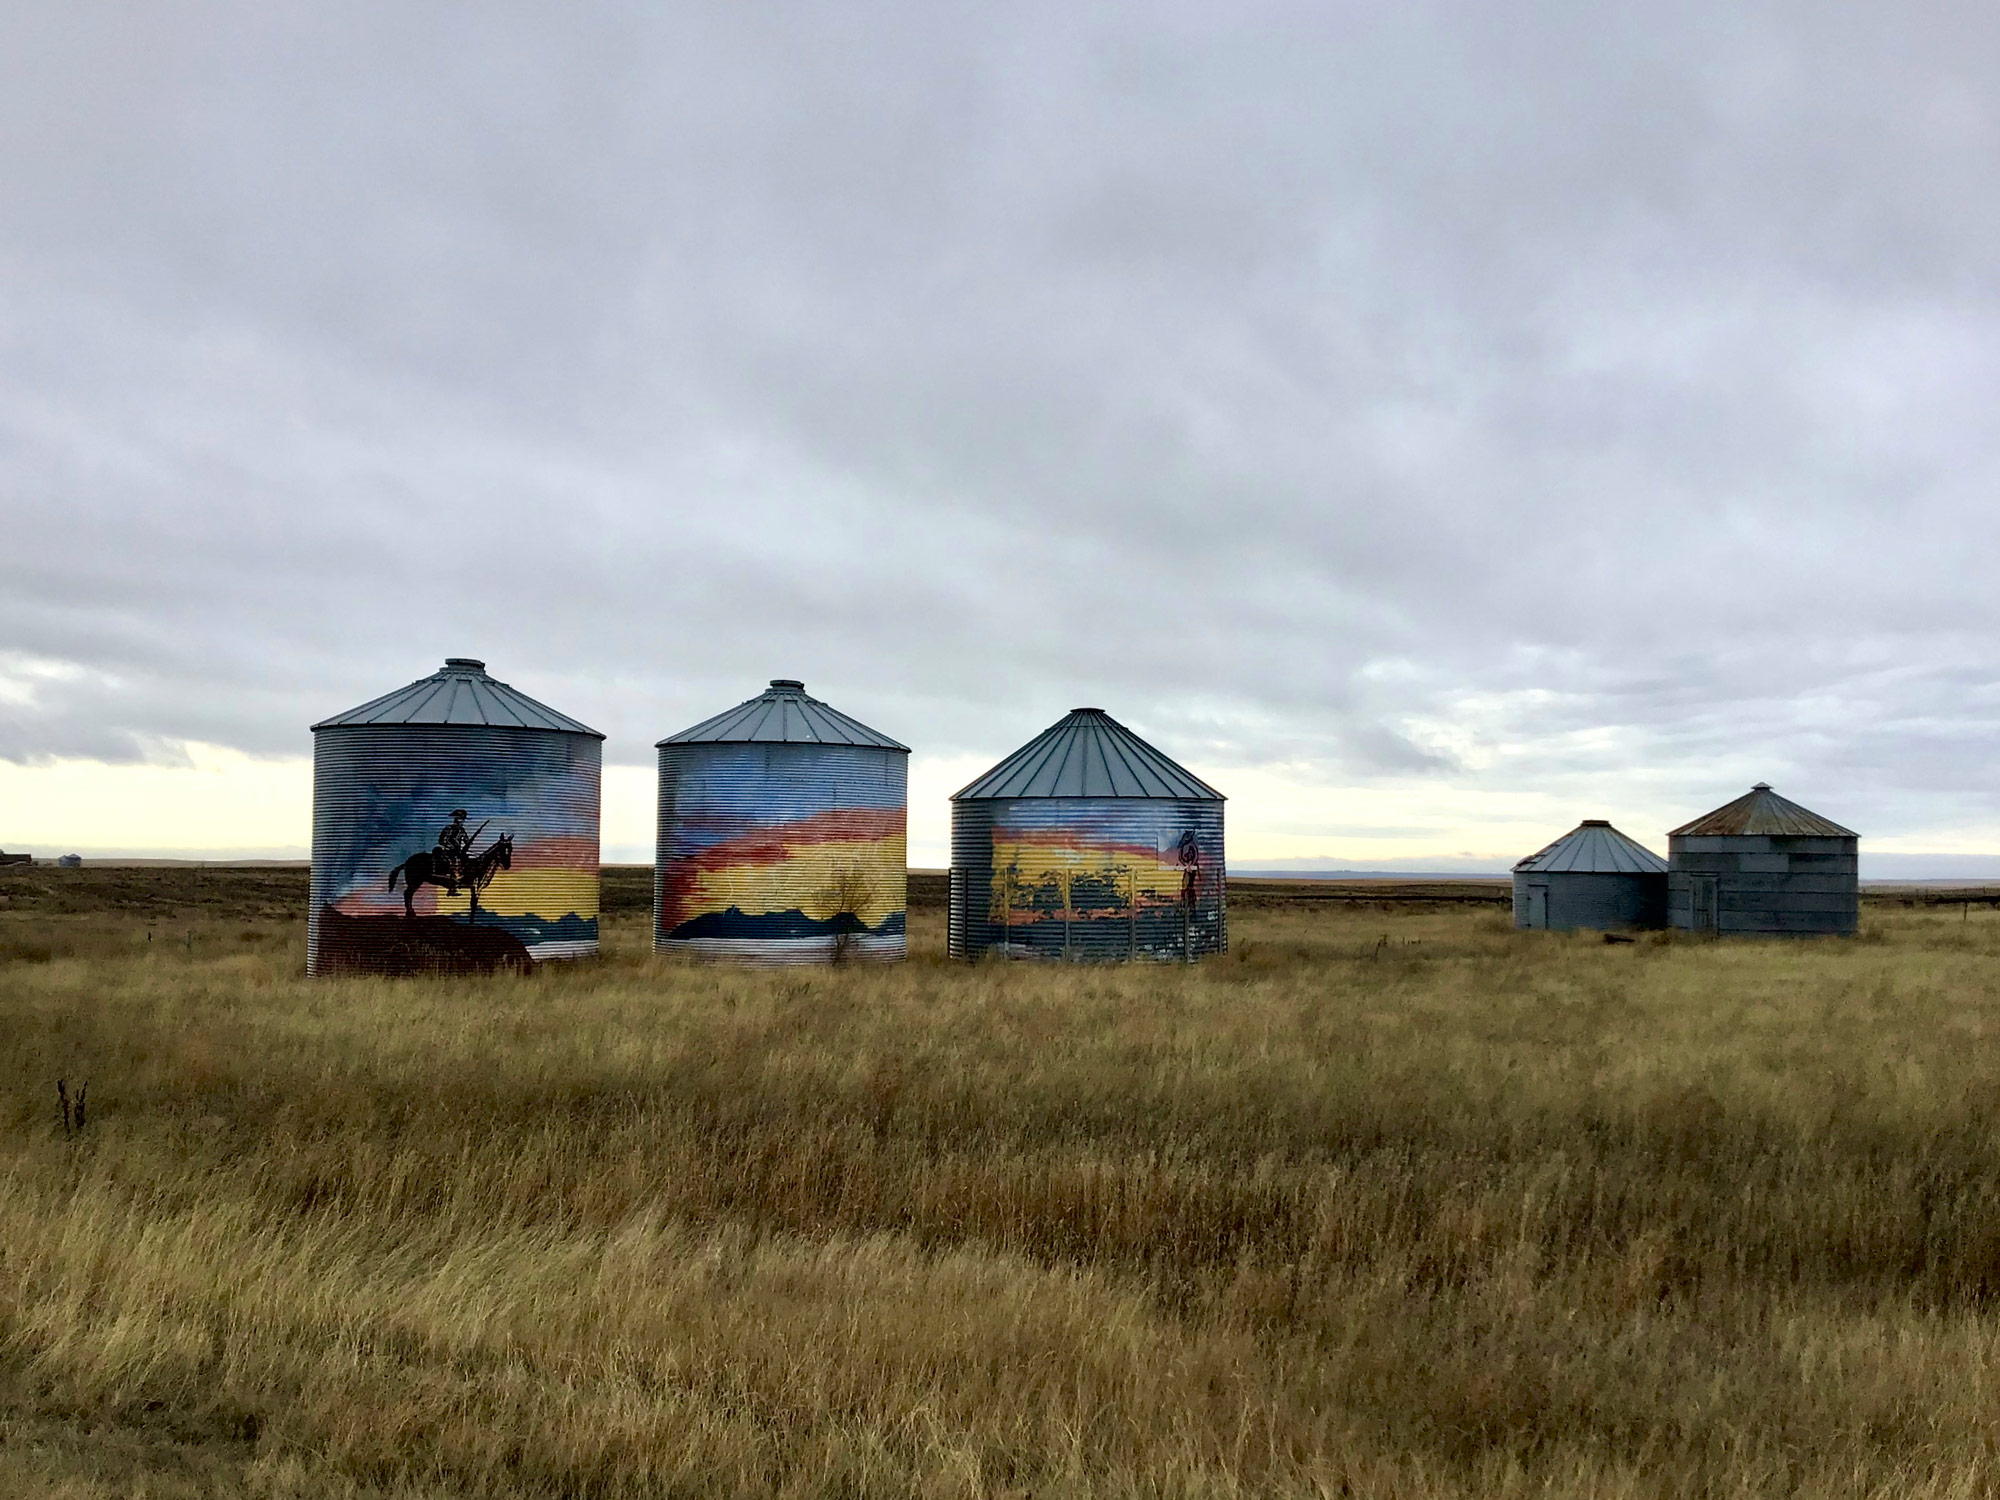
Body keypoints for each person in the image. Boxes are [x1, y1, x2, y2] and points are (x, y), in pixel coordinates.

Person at [434, 810, 473, 894]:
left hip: (457, 852)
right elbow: (442, 840)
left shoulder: (462, 830)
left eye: (463, 819)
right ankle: (452, 886)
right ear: (456, 819)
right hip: (447, 850)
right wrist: (450, 846)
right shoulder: (448, 828)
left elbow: (467, 841)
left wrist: (469, 842)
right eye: (460, 819)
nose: (462, 821)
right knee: (452, 863)